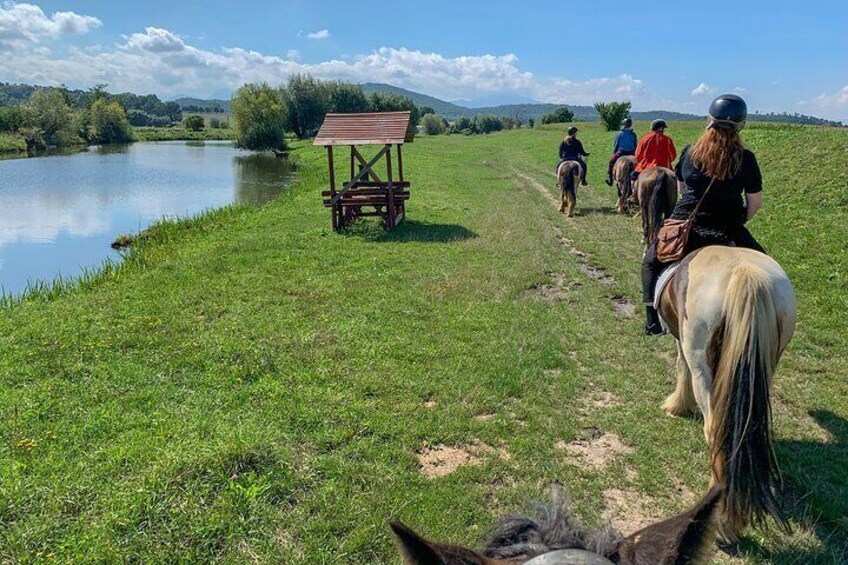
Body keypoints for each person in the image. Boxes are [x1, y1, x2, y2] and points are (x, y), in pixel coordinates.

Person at [642, 94, 765, 335]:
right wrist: (739, 220)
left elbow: (681, 190)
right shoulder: (746, 159)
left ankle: (652, 322)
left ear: (709, 120)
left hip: (688, 228)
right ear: (741, 125)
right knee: (766, 270)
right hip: (728, 229)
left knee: (650, 263)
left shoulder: (690, 153)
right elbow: (754, 203)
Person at [605, 117, 637, 186]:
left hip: (621, 152)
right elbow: (635, 145)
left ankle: (610, 179)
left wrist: (614, 152)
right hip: (632, 152)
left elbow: (616, 145)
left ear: (623, 124)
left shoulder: (619, 134)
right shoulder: (633, 134)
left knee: (611, 162)